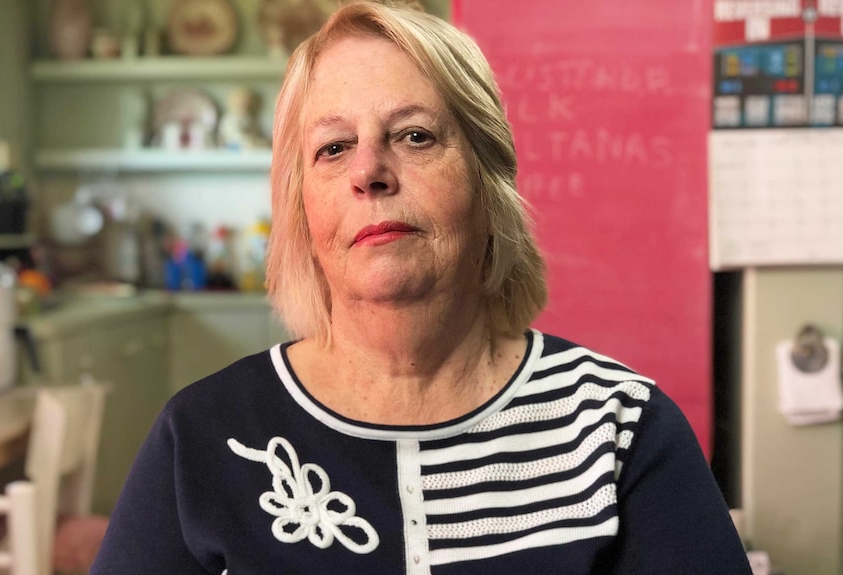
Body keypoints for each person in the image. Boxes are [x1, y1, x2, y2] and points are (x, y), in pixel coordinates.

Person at [91, 1, 752, 573]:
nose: (370, 171)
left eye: (414, 135)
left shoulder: (621, 429)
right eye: (332, 148)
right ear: (302, 210)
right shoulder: (202, 437)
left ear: (487, 185)